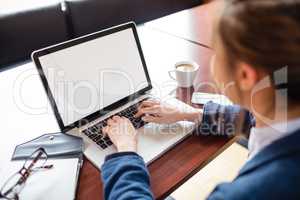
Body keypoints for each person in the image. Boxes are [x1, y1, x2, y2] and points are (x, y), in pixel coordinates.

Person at [101, 0, 300, 199]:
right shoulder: (280, 113)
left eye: (216, 53)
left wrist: (125, 152)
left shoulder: (251, 192)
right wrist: (190, 113)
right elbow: (252, 120)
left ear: (245, 76)